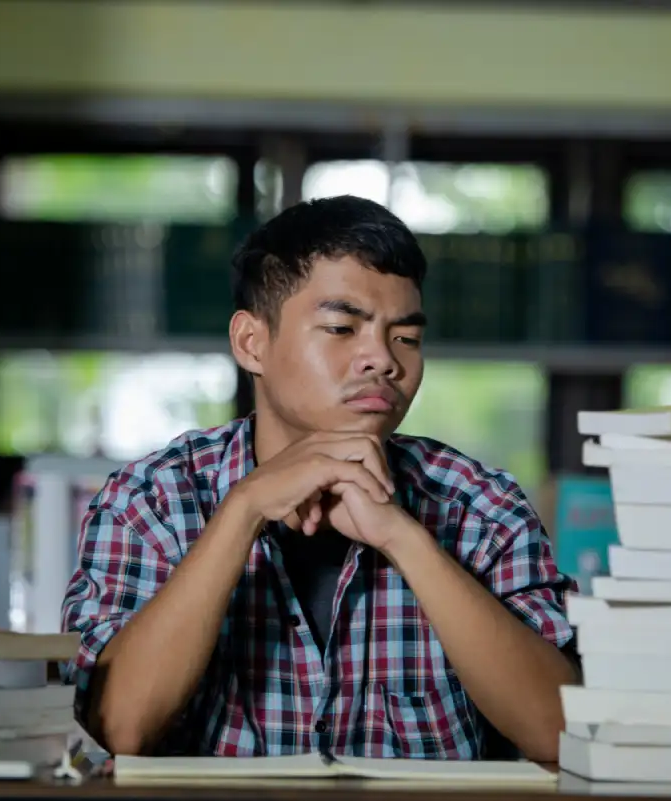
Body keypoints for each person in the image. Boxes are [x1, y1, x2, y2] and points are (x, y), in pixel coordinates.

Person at [60, 195, 578, 762]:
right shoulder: (151, 501)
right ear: (251, 342)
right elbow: (118, 728)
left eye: (406, 338)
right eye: (341, 327)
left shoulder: (480, 506)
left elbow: (563, 733)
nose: (381, 358)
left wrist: (403, 538)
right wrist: (243, 511)